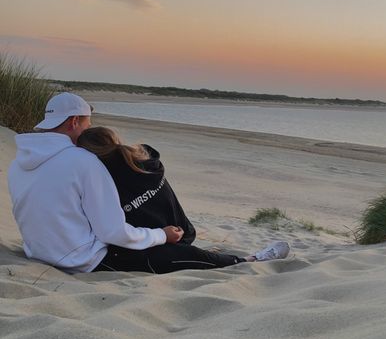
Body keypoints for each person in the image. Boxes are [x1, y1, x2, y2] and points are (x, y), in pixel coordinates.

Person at [8, 92, 290, 274]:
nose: (88, 130)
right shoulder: (82, 162)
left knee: (160, 245)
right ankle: (251, 261)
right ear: (73, 122)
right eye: (87, 123)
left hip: (41, 255)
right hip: (82, 262)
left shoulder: (17, 163)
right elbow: (113, 232)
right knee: (173, 256)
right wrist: (162, 235)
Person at [76, 125, 290, 273]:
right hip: (183, 229)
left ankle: (250, 260)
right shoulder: (146, 159)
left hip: (164, 238)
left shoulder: (108, 179)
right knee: (190, 254)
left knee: (184, 257)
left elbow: (114, 230)